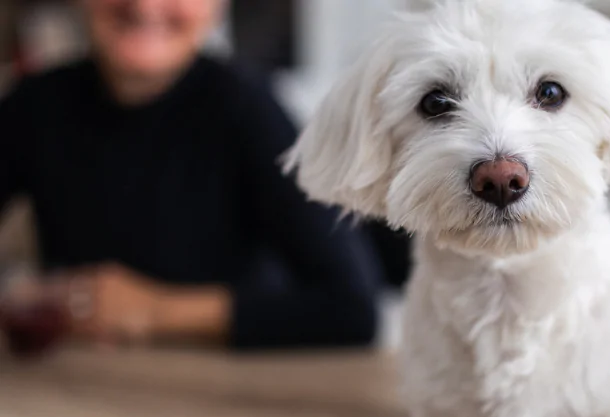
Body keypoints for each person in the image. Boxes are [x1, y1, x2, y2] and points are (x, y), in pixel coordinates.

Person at [0, 0, 382, 350]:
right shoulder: (34, 104)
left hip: (226, 395)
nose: (145, 6)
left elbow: (353, 307)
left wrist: (155, 310)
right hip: (77, 388)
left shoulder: (247, 109)